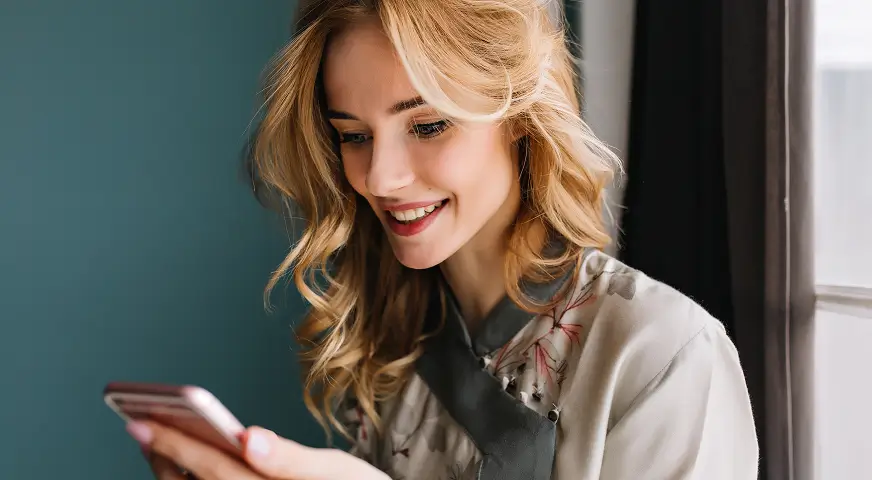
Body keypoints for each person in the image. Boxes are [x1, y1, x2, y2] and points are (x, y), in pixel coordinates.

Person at [124, 0, 759, 478]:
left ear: (517, 116)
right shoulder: (389, 351)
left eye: (426, 126)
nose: (380, 176)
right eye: (354, 134)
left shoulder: (662, 356)